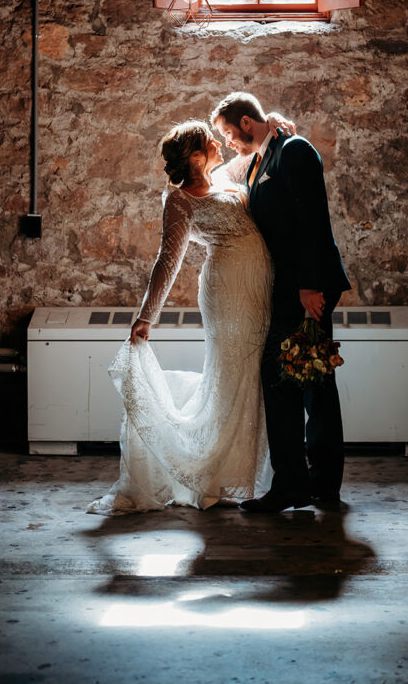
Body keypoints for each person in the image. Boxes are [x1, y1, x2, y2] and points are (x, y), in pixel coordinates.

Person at [87, 118, 277, 515]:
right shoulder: (179, 200)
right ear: (194, 156)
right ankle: (212, 476)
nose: (220, 145)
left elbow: (256, 149)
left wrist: (274, 122)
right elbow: (167, 260)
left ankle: (242, 473)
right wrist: (146, 316)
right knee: (232, 376)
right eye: (211, 142)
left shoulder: (225, 176)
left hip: (259, 291)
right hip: (227, 294)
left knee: (252, 376)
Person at [211, 92, 350, 513]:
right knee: (290, 380)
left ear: (247, 124)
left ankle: (316, 484)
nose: (228, 142)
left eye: (229, 133)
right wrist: (270, 123)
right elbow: (216, 174)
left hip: (307, 289)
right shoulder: (258, 161)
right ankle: (297, 482)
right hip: (284, 289)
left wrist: (309, 286)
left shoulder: (295, 150)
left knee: (312, 383)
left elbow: (314, 219)